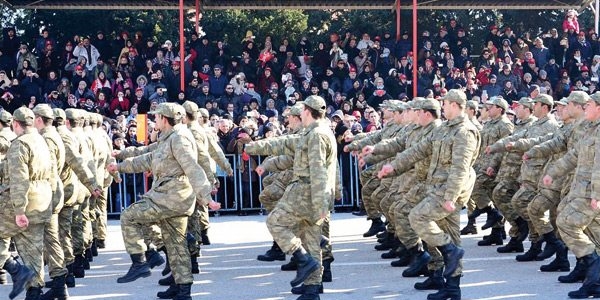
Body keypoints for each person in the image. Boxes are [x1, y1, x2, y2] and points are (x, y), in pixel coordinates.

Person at [107, 103, 218, 300]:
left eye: (156, 117)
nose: (154, 120)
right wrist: (120, 167)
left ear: (164, 120)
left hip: (171, 197)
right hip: (173, 197)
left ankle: (141, 261)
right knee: (176, 244)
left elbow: (192, 167)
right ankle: (182, 290)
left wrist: (206, 196)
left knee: (129, 216)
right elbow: (148, 159)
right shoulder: (169, 138)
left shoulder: (179, 139)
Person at [378, 89, 481, 299]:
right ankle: (452, 287)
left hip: (448, 190)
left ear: (454, 104)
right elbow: (419, 149)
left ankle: (449, 251)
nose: (442, 107)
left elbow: (460, 168)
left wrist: (450, 197)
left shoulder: (465, 131)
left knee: (417, 216)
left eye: (445, 103)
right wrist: (393, 166)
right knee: (452, 234)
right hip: (437, 187)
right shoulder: (444, 129)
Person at [245, 95, 337, 300]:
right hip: (313, 194)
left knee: (275, 221)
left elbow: (319, 169)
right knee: (311, 239)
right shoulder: (317, 132)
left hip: (305, 192)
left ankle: (301, 259)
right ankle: (312, 289)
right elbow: (285, 142)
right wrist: (254, 147)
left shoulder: (316, 135)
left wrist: (322, 202)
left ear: (306, 111)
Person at [545, 91, 600, 299]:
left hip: (591, 193)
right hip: (584, 190)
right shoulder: (590, 129)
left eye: (590, 104)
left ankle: (592, 263)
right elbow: (574, 155)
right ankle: (594, 280)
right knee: (595, 232)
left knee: (567, 222)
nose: (586, 107)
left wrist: (597, 195)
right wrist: (553, 171)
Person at [0, 107, 53, 299]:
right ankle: (35, 291)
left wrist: (19, 210)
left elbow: (20, 179)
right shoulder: (40, 140)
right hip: (42, 200)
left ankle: (15, 270)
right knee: (33, 249)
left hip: (24, 202)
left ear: (15, 123)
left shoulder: (20, 144)